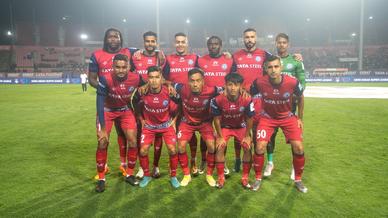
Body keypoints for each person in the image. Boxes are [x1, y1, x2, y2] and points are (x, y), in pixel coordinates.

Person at [250, 55, 307, 193]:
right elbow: (249, 95)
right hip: (267, 118)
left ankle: (298, 179)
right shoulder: (259, 82)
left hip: (287, 117)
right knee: (259, 146)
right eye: (270, 67)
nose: (273, 70)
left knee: (298, 147)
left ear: (281, 67)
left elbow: (300, 97)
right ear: (265, 69)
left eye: (276, 66)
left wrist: (299, 118)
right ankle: (257, 178)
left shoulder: (292, 82)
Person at [89, 28, 136, 179]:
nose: (114, 39)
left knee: (124, 135)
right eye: (110, 36)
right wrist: (107, 90)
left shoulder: (129, 52)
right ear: (106, 39)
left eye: (116, 36)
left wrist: (157, 52)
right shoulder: (97, 55)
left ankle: (124, 165)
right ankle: (104, 168)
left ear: (121, 39)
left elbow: (146, 50)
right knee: (103, 139)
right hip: (106, 105)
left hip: (123, 105)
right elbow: (91, 79)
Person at [95, 54, 144, 192]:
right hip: (106, 110)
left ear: (128, 67)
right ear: (113, 67)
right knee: (102, 142)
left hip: (124, 110)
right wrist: (103, 128)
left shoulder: (135, 77)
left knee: (133, 141)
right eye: (117, 67)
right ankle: (101, 179)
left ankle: (129, 174)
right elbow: (99, 103)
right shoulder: (105, 79)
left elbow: (148, 84)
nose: (121, 70)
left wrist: (167, 85)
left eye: (124, 67)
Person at [263, 33, 307, 178]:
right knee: (271, 136)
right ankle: (270, 163)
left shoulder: (295, 61)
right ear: (275, 43)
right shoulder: (270, 61)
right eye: (279, 42)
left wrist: (295, 96)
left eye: (284, 42)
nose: (281, 45)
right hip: (272, 106)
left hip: (290, 106)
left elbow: (302, 82)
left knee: (295, 139)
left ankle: (295, 167)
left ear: (288, 44)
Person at [171, 68, 222, 187]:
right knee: (181, 146)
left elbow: (226, 89)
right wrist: (168, 86)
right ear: (188, 81)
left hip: (204, 122)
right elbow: (166, 82)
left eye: (198, 80)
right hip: (187, 122)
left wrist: (242, 91)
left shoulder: (211, 90)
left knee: (211, 146)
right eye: (192, 81)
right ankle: (186, 175)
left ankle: (209, 175)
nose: (195, 84)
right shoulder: (181, 88)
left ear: (203, 81)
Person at [132, 66, 180, 188]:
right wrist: (141, 119)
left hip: (165, 125)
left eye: (157, 77)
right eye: (151, 77)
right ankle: (147, 176)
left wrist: (174, 120)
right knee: (143, 150)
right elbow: (134, 103)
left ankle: (173, 176)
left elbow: (181, 105)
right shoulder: (142, 92)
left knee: (173, 149)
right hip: (149, 126)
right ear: (147, 79)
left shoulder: (168, 91)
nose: (154, 80)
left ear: (161, 78)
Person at [163, 32, 203, 176]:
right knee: (173, 133)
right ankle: (173, 161)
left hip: (190, 102)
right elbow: (162, 78)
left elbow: (202, 76)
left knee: (191, 134)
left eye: (182, 42)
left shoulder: (195, 58)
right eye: (177, 42)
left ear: (187, 43)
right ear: (175, 43)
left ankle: (193, 161)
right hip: (173, 102)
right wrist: (169, 84)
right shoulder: (168, 59)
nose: (180, 44)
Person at [197, 35, 236, 175]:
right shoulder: (200, 60)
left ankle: (222, 161)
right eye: (211, 44)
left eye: (216, 44)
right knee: (204, 132)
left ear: (220, 45)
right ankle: (203, 160)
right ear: (208, 46)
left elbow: (234, 80)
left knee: (222, 133)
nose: (213, 46)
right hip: (205, 102)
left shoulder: (229, 60)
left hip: (223, 102)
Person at [131, 31, 166, 179]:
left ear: (156, 43)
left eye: (153, 41)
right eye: (147, 41)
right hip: (142, 102)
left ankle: (156, 166)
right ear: (143, 42)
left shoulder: (161, 58)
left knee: (158, 137)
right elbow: (130, 72)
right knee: (141, 138)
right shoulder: (135, 57)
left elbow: (166, 77)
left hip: (158, 103)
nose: (150, 44)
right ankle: (141, 167)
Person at [211, 73, 255, 189]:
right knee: (219, 147)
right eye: (230, 85)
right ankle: (221, 178)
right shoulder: (218, 99)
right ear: (225, 85)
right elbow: (216, 120)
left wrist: (247, 136)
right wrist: (220, 137)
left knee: (247, 146)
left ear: (241, 86)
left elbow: (250, 119)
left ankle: (245, 177)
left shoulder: (247, 98)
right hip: (225, 127)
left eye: (236, 85)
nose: (233, 88)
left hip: (241, 126)